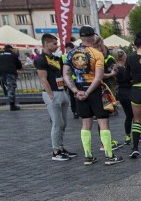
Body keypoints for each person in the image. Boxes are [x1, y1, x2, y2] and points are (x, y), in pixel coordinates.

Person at [63, 25, 123, 165]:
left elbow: (66, 74)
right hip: (94, 90)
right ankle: (109, 155)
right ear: (93, 37)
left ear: (80, 37)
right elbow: (98, 77)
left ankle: (88, 156)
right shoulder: (97, 54)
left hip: (78, 89)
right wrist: (88, 92)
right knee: (103, 121)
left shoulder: (71, 54)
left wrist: (76, 92)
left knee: (85, 123)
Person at [35, 33, 76, 161]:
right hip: (52, 92)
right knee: (57, 123)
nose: (56, 45)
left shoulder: (57, 59)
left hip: (61, 91)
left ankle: (61, 147)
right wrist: (50, 95)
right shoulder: (41, 59)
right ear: (46, 43)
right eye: (54, 43)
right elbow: (43, 78)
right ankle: (56, 151)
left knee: (63, 123)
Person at [114, 50, 134, 147]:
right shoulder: (124, 69)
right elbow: (130, 78)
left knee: (128, 115)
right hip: (129, 92)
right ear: (123, 58)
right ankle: (134, 133)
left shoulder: (116, 68)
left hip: (122, 93)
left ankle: (128, 136)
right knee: (134, 115)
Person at [0, 44, 22, 110]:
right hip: (10, 72)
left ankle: (6, 93)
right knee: (11, 88)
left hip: (0, 73)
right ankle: (12, 105)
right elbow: (19, 66)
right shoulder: (13, 55)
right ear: (11, 49)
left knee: (7, 87)